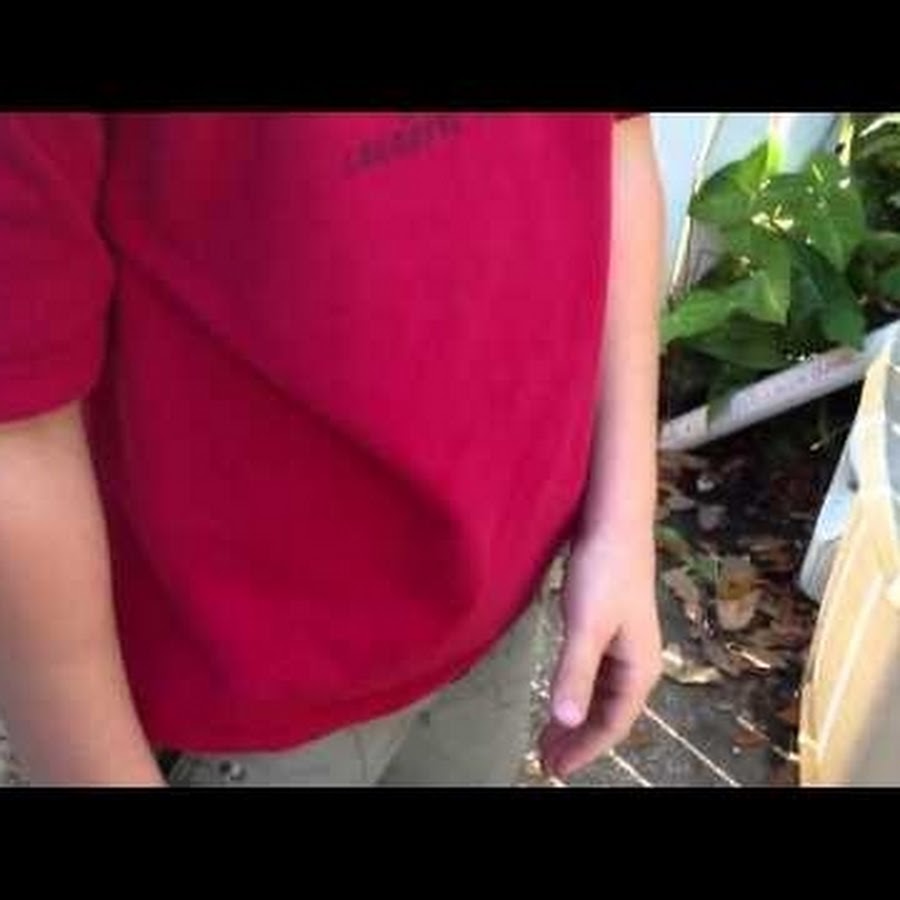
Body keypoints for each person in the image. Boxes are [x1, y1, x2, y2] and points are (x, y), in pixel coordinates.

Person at [0, 112, 664, 786]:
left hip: (503, 612)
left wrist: (624, 522)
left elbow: (617, 141)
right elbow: (20, 424)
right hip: (252, 695)